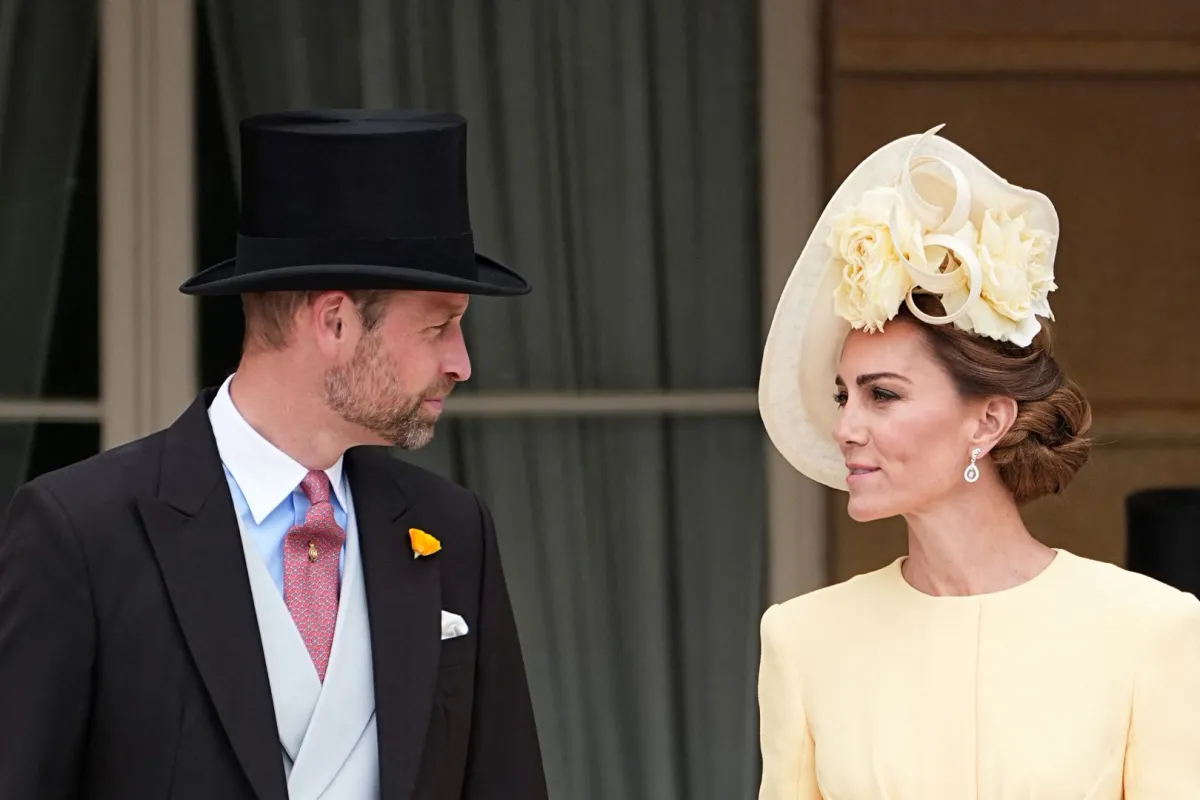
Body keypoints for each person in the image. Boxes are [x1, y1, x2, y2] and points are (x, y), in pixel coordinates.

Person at [0, 110, 548, 800]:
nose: (461, 364)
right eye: (440, 326)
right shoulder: (81, 532)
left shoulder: (453, 529)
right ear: (336, 321)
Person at [755, 125, 1200, 798]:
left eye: (883, 395)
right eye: (844, 395)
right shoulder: (803, 638)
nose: (846, 426)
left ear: (988, 421)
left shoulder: (1150, 627)